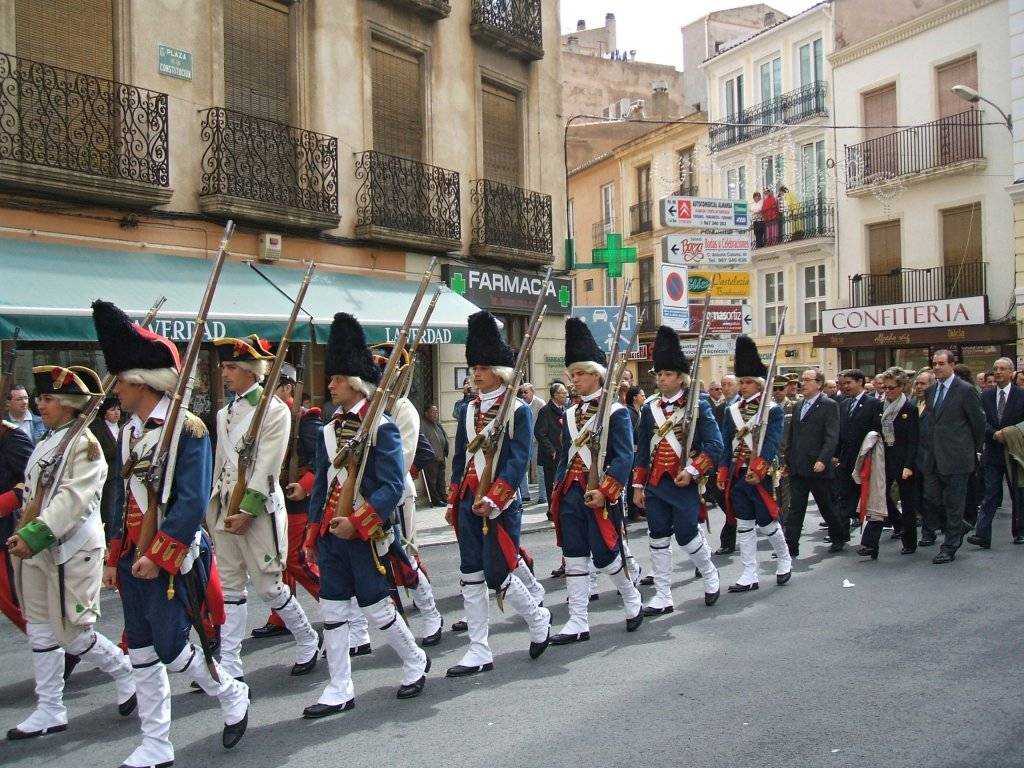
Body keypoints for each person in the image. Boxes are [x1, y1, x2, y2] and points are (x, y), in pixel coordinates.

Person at [93, 300, 249, 767]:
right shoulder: (129, 432)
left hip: (172, 558)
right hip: (132, 557)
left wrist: (158, 555)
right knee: (140, 651)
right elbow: (122, 500)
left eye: (119, 379)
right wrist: (114, 556)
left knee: (176, 650)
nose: (115, 388)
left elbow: (190, 503)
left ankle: (230, 692)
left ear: (141, 379)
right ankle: (156, 742)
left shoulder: (189, 429)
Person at [302, 313, 430, 718]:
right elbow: (322, 485)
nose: (330, 385)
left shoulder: (383, 427)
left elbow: (392, 486)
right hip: (330, 533)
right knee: (333, 609)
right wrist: (312, 532)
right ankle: (340, 685)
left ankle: (414, 660)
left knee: (376, 607)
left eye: (336, 379)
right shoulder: (328, 428)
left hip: (364, 534)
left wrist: (358, 523)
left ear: (354, 383)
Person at [5, 365, 136, 742]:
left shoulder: (86, 445)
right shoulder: (49, 440)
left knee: (74, 633)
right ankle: (50, 708)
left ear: (68, 403)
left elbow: (73, 500)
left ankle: (124, 670)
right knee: (41, 630)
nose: (39, 404)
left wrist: (35, 533)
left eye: (47, 398)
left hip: (70, 546)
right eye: (40, 398)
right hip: (38, 545)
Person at [208, 335, 321, 683]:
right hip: (224, 508)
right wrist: (212, 507)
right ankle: (229, 662)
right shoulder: (223, 413)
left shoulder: (273, 411)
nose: (225, 374)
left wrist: (248, 509)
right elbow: (220, 465)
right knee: (229, 588)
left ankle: (306, 637)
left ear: (248, 370)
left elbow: (267, 466)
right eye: (224, 367)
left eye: (230, 367)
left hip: (258, 511)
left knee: (269, 586)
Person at [444, 312, 551, 676]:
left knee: (497, 573)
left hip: (501, 504)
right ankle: (478, 649)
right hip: (469, 501)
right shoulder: (470, 409)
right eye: (474, 365)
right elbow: (461, 458)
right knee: (470, 573)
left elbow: (519, 460)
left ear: (501, 371)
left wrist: (496, 497)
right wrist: (455, 496)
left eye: (484, 366)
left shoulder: (518, 411)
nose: (476, 372)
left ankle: (538, 621)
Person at [549, 317, 642, 643]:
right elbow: (565, 456)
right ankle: (577, 620)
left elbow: (623, 457)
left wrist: (607, 491)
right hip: (573, 493)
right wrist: (557, 491)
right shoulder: (571, 415)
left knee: (604, 554)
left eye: (580, 374)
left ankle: (632, 599)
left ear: (596, 374)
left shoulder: (615, 412)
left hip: (599, 494)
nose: (575, 380)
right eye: (572, 374)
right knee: (574, 553)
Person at [631, 326, 723, 614]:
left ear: (680, 377)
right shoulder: (649, 408)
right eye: (658, 374)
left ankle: (710, 575)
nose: (661, 378)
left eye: (667, 374)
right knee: (657, 537)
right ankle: (662, 595)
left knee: (686, 535)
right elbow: (643, 449)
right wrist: (637, 486)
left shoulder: (698, 403)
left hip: (683, 483)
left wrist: (694, 470)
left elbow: (715, 444)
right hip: (657, 484)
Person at [251, 363, 324, 641]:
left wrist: (304, 486)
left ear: (287, 388)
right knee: (279, 561)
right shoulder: (265, 418)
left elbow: (323, 461)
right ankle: (281, 615)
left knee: (295, 559)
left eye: (273, 388)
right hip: (272, 499)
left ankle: (336, 601)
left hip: (298, 501)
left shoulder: (305, 420)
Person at [717, 336, 791, 591]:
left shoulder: (772, 409)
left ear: (759, 384)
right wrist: (723, 469)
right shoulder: (732, 410)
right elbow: (727, 442)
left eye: (748, 382)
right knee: (744, 523)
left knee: (767, 521)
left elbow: (772, 442)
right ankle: (749, 572)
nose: (744, 386)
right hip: (738, 473)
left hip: (759, 474)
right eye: (742, 382)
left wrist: (758, 470)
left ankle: (784, 558)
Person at [917, 350, 986, 563]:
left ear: (952, 365)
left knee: (955, 502)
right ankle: (960, 526)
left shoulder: (965, 390)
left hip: (957, 456)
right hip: (933, 456)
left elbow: (978, 423)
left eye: (941, 363)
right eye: (934, 364)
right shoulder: (932, 390)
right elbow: (930, 421)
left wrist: (971, 449)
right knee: (932, 498)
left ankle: (950, 546)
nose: (937, 367)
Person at [860, 368, 919, 558]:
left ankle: (909, 541)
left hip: (902, 461)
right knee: (878, 499)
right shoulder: (879, 407)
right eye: (884, 388)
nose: (887, 391)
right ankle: (871, 544)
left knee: (908, 502)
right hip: (882, 459)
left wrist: (909, 465)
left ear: (901, 387)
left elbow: (913, 440)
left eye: (891, 388)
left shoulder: (909, 409)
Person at [783, 368, 840, 556]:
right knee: (795, 508)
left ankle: (838, 535)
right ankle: (791, 546)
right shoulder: (798, 405)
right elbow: (792, 436)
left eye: (808, 380)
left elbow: (831, 436)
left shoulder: (829, 405)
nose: (803, 383)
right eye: (802, 380)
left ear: (819, 384)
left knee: (826, 505)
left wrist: (823, 459)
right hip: (798, 466)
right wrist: (788, 459)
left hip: (817, 466)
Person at [969, 357, 1024, 548]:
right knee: (990, 493)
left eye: (1002, 369)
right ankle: (982, 534)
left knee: (1018, 492)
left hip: (1014, 451)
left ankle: (1020, 531)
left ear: (1011, 372)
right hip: (992, 451)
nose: (998, 372)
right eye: (995, 368)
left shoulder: (1021, 395)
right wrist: (994, 434)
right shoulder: (985, 396)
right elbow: (979, 420)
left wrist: (1007, 434)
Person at [833, 369, 882, 549]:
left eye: (849, 383)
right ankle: (841, 535)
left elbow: (876, 431)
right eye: (843, 383)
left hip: (865, 457)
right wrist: (836, 454)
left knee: (867, 497)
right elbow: (840, 432)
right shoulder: (844, 404)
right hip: (846, 458)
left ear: (860, 382)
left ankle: (871, 538)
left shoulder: (873, 404)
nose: (845, 387)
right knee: (843, 496)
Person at [0, 419, 32, 631]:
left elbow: (34, 482)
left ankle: (62, 648)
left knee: (13, 602)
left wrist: (7, 501)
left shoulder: (11, 437)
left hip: (5, 528)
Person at [712, 374, 740, 555]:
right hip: (722, 461)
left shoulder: (745, 408)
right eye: (723, 385)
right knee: (723, 499)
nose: (726, 388)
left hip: (741, 460)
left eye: (730, 384)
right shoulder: (720, 408)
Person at [89, 397, 121, 541]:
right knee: (108, 508)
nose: (116, 413)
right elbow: (97, 453)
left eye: (118, 409)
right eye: (112, 409)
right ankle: (108, 538)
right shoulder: (97, 428)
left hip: (120, 474)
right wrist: (118, 450)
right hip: (107, 475)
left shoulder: (124, 427)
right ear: (105, 412)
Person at [535, 382, 567, 518]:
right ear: (555, 395)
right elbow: (540, 433)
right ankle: (552, 510)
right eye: (563, 393)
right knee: (551, 484)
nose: (566, 395)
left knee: (561, 483)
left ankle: (560, 509)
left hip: (563, 453)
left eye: (565, 393)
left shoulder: (564, 409)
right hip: (551, 456)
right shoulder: (545, 411)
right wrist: (551, 451)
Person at [519, 383, 547, 505]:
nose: (523, 395)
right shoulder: (519, 404)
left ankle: (543, 495)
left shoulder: (540, 404)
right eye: (522, 392)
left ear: (532, 392)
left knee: (540, 468)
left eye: (526, 392)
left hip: (537, 441)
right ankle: (525, 495)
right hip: (524, 440)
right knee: (522, 468)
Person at [420, 404, 449, 506]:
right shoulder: (423, 424)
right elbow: (423, 441)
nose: (435, 414)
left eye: (436, 412)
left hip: (441, 456)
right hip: (431, 458)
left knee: (441, 480)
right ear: (426, 413)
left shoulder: (437, 424)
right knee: (432, 481)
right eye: (433, 412)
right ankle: (436, 500)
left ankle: (444, 497)